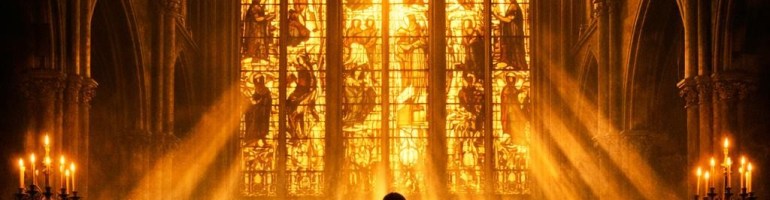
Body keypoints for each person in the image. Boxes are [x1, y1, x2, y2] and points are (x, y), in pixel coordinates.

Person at [493, 0, 528, 70]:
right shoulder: (512, 5)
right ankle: (513, 64)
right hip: (512, 32)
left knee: (515, 47)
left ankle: (518, 65)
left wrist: (496, 15)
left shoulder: (514, 6)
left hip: (514, 32)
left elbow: (508, 20)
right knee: (512, 47)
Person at [245, 74, 271, 145]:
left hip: (263, 112)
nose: (257, 83)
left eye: (259, 81)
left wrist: (261, 102)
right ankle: (254, 140)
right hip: (256, 111)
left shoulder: (266, 91)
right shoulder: (256, 90)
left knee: (263, 125)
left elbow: (267, 100)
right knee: (254, 124)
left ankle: (262, 138)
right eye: (256, 82)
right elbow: (254, 99)